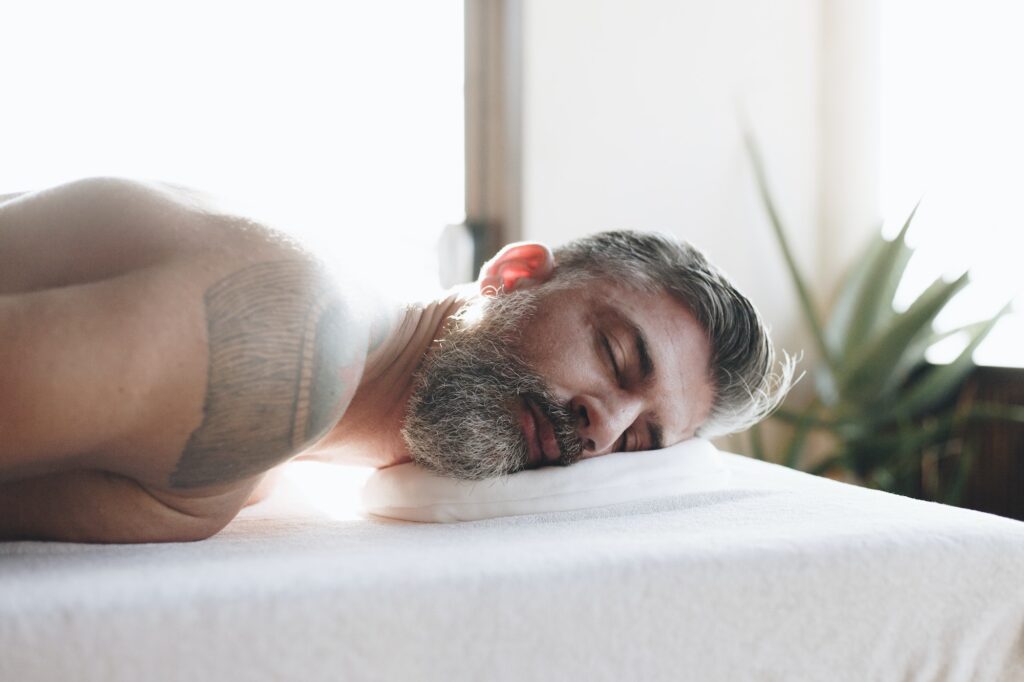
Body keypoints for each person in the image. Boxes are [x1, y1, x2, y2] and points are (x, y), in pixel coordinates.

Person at [0, 177, 793, 543]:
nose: (604, 424)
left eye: (643, 440)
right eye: (616, 355)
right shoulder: (286, 350)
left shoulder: (283, 454)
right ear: (513, 274)